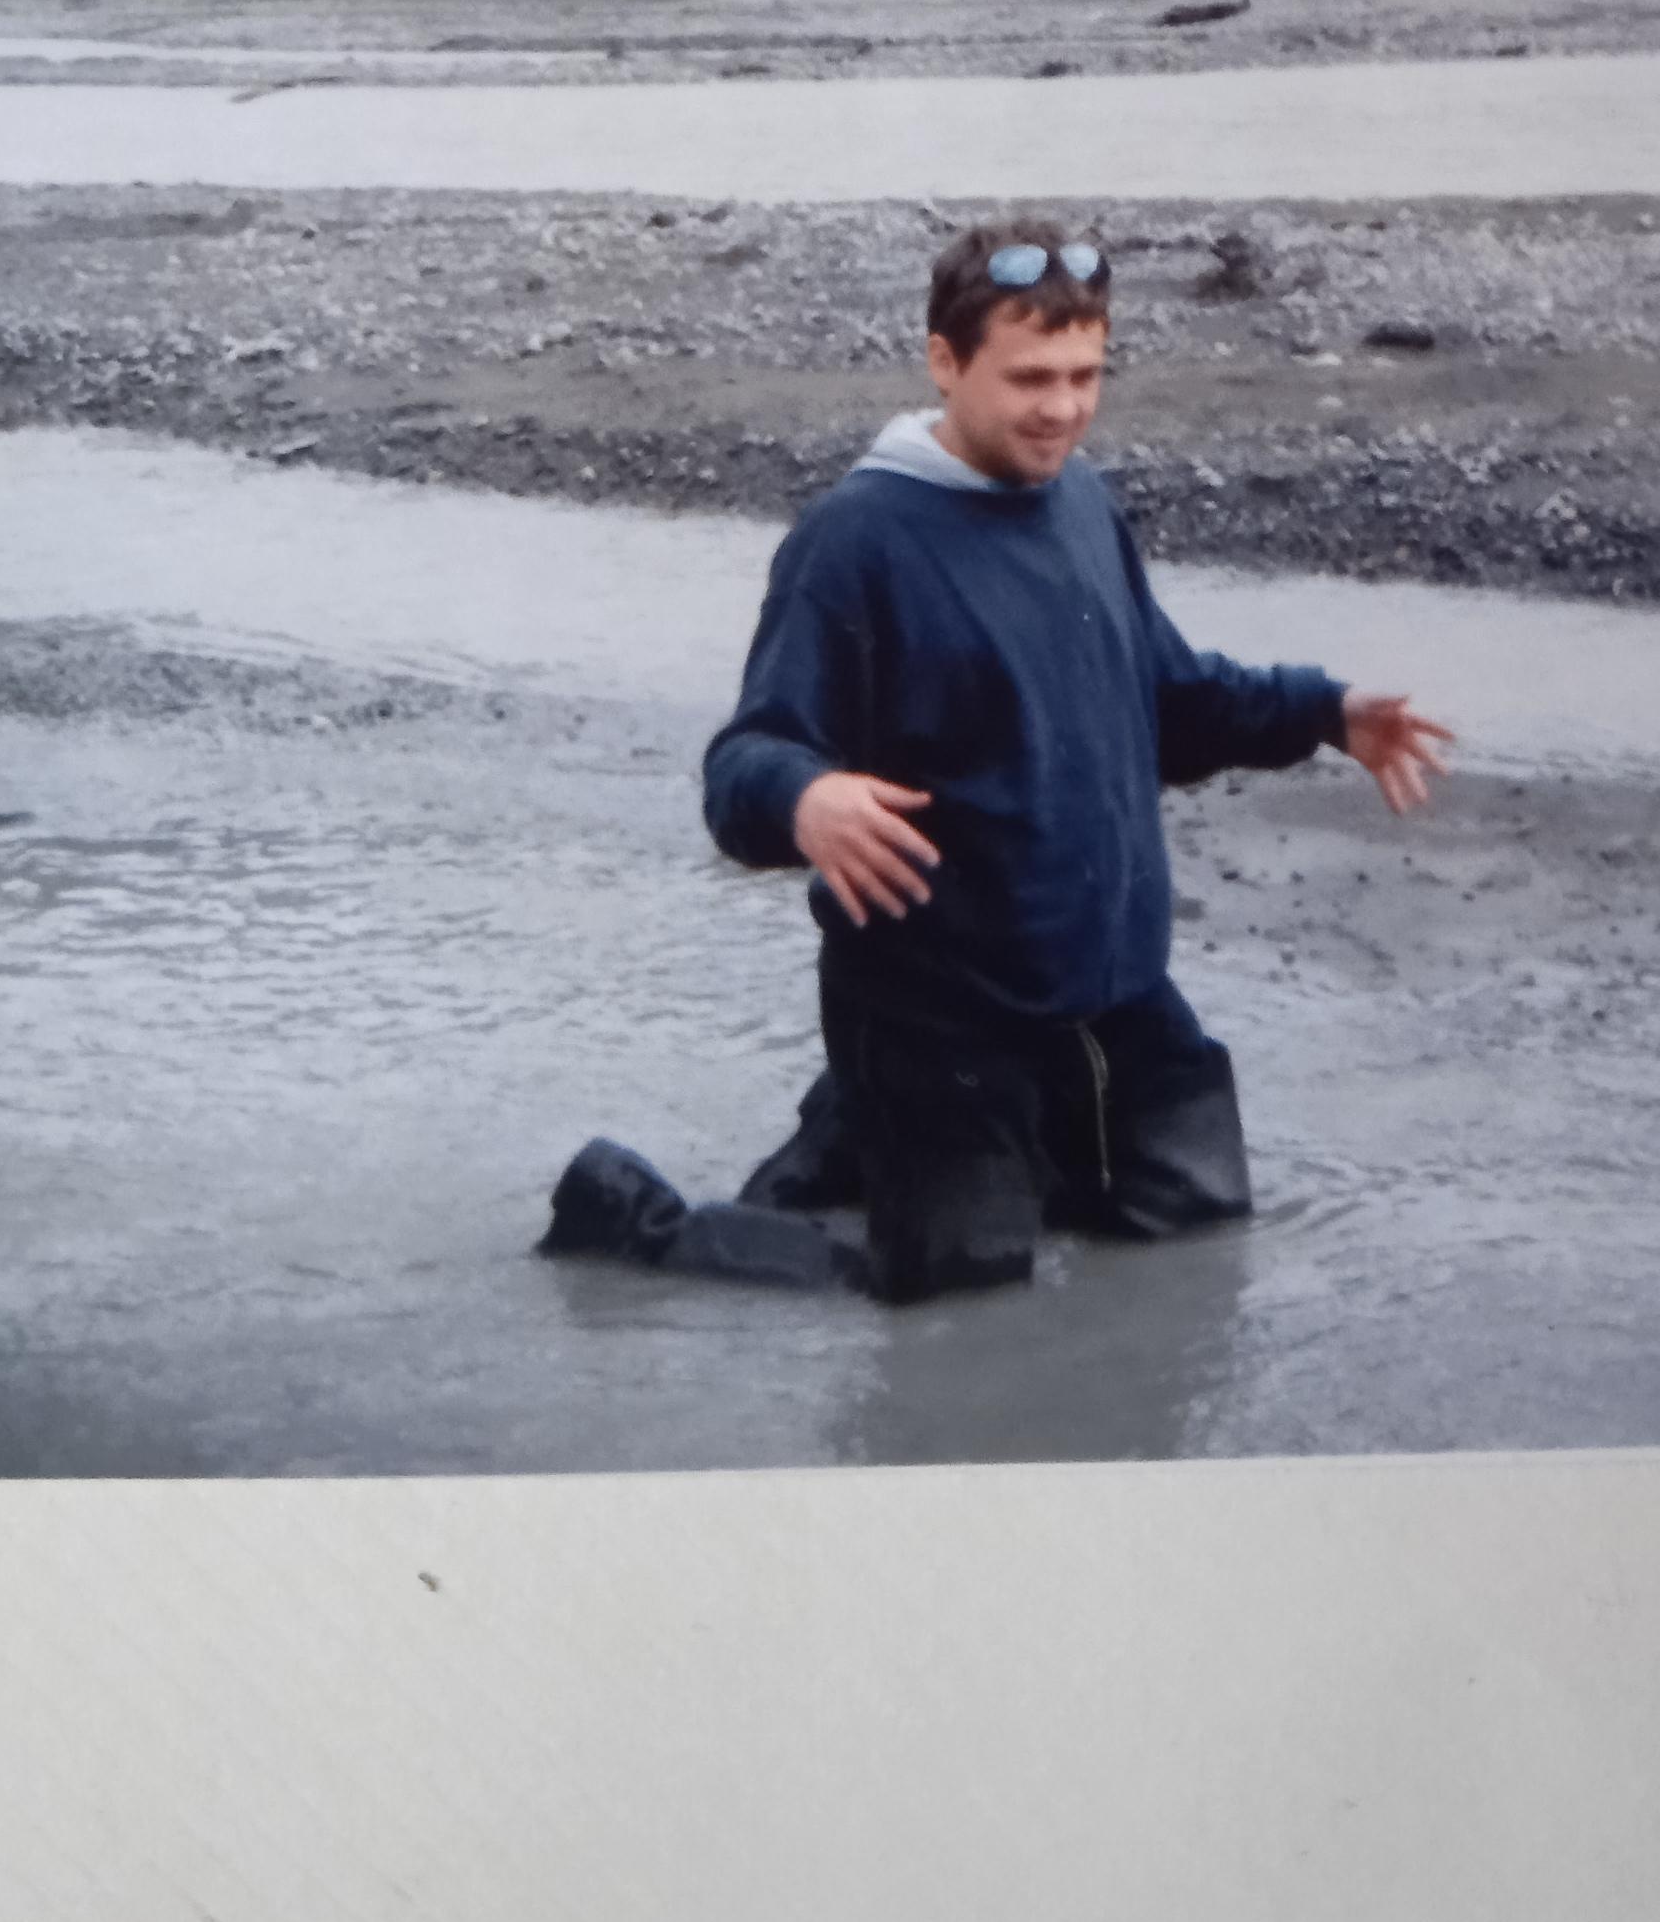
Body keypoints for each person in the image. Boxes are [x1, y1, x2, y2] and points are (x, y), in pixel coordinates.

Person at [546, 218, 1453, 1303]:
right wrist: (807, 796)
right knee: (955, 1301)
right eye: (1029, 376)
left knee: (1198, 1226)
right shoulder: (857, 539)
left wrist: (1321, 710)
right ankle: (639, 1223)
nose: (1062, 407)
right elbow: (744, 761)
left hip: (1109, 991)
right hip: (938, 1002)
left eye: (1085, 374)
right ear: (945, 361)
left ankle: (855, 1138)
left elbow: (1162, 697)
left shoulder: (1080, 498)